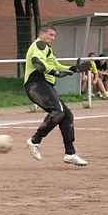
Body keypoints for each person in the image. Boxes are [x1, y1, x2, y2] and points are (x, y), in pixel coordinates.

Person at [24, 25, 91, 166]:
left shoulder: (47, 48)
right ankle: (35, 141)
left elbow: (56, 65)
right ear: (42, 34)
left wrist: (73, 68)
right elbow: (38, 61)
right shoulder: (39, 44)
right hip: (36, 84)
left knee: (67, 116)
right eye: (50, 35)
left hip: (44, 86)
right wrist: (53, 72)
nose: (52, 38)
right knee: (58, 112)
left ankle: (70, 153)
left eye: (54, 36)